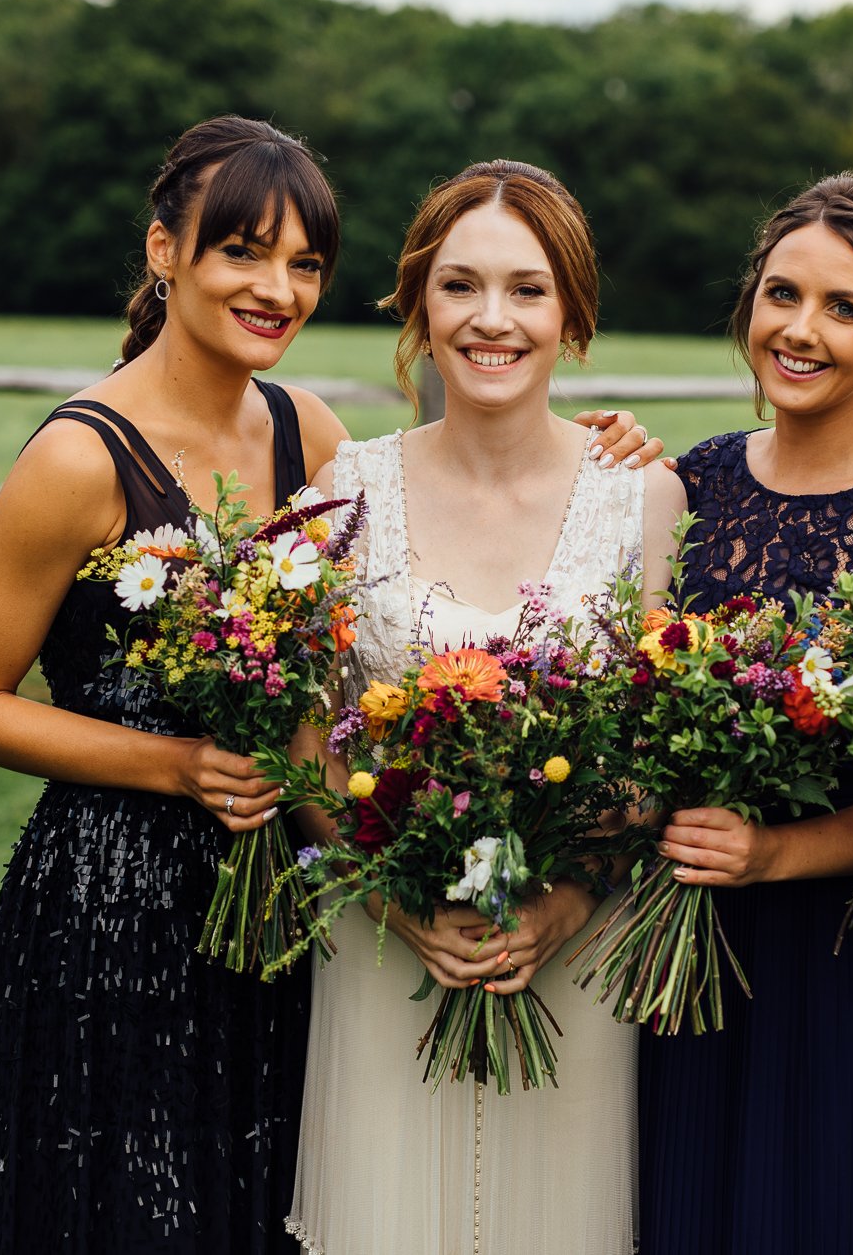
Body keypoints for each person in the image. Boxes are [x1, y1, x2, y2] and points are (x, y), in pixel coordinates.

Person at [0, 118, 660, 1253]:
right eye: (243, 253)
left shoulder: (304, 436)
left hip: (279, 896)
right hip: (113, 892)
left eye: (305, 263)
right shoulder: (78, 456)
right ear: (163, 250)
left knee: (254, 1207)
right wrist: (180, 765)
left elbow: (354, 654)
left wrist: (602, 444)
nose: (277, 288)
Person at [285, 159, 688, 1254]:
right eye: (459, 286)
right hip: (382, 955)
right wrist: (394, 901)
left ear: (572, 315)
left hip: (569, 954)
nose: (491, 319)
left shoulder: (643, 499)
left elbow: (647, 760)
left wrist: (559, 905)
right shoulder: (340, 491)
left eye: (527, 288)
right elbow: (307, 746)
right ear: (418, 302)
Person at [638, 173, 853, 1254]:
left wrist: (777, 854)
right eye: (781, 294)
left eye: (842, 309)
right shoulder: (692, 481)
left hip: (851, 954)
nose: (799, 329)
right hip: (693, 932)